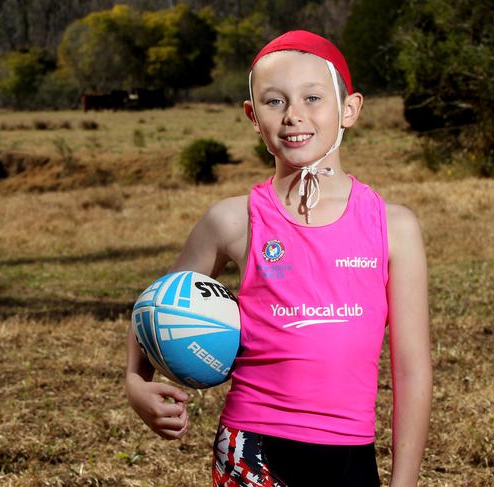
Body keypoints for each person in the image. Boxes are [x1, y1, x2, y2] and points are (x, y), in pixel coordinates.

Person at [125, 30, 432, 487]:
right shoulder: (232, 221)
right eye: (274, 101)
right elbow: (156, 306)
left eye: (312, 98)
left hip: (350, 455)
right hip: (252, 448)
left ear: (349, 109)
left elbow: (411, 371)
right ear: (252, 115)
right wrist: (136, 383)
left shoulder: (395, 228)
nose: (294, 116)